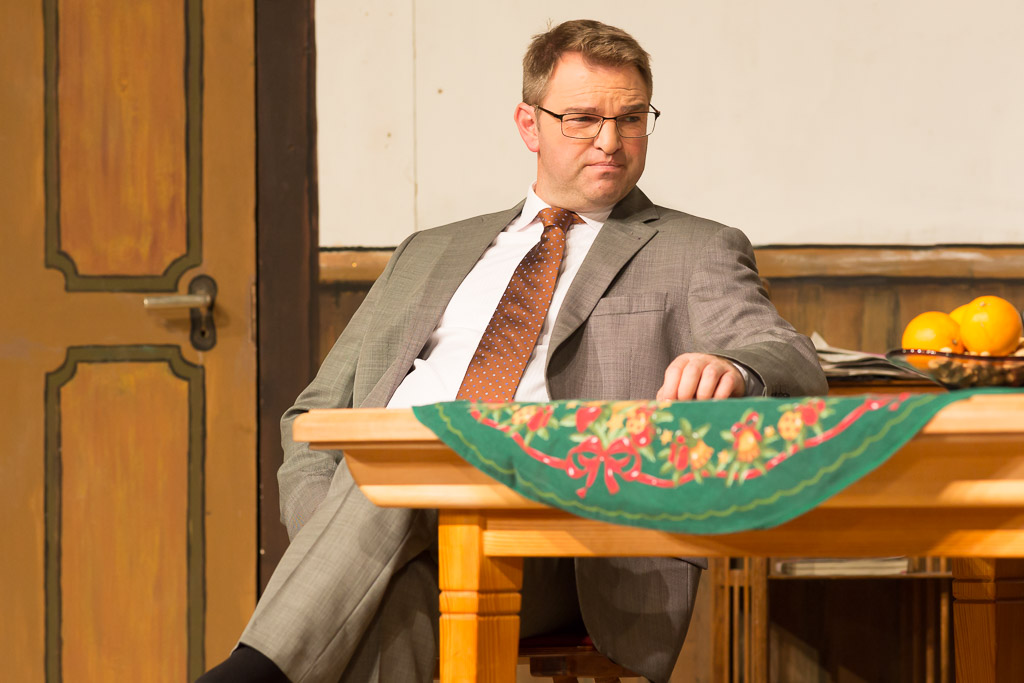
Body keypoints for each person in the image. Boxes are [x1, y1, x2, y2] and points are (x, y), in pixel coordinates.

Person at [200, 18, 827, 683]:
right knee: (400, 561)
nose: (610, 140)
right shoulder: (427, 251)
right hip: (388, 522)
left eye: (631, 118)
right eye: (583, 119)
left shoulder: (693, 248)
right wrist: (333, 535)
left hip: (562, 544)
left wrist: (733, 365)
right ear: (530, 125)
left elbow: (787, 354)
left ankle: (248, 674)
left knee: (406, 466)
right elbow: (314, 415)